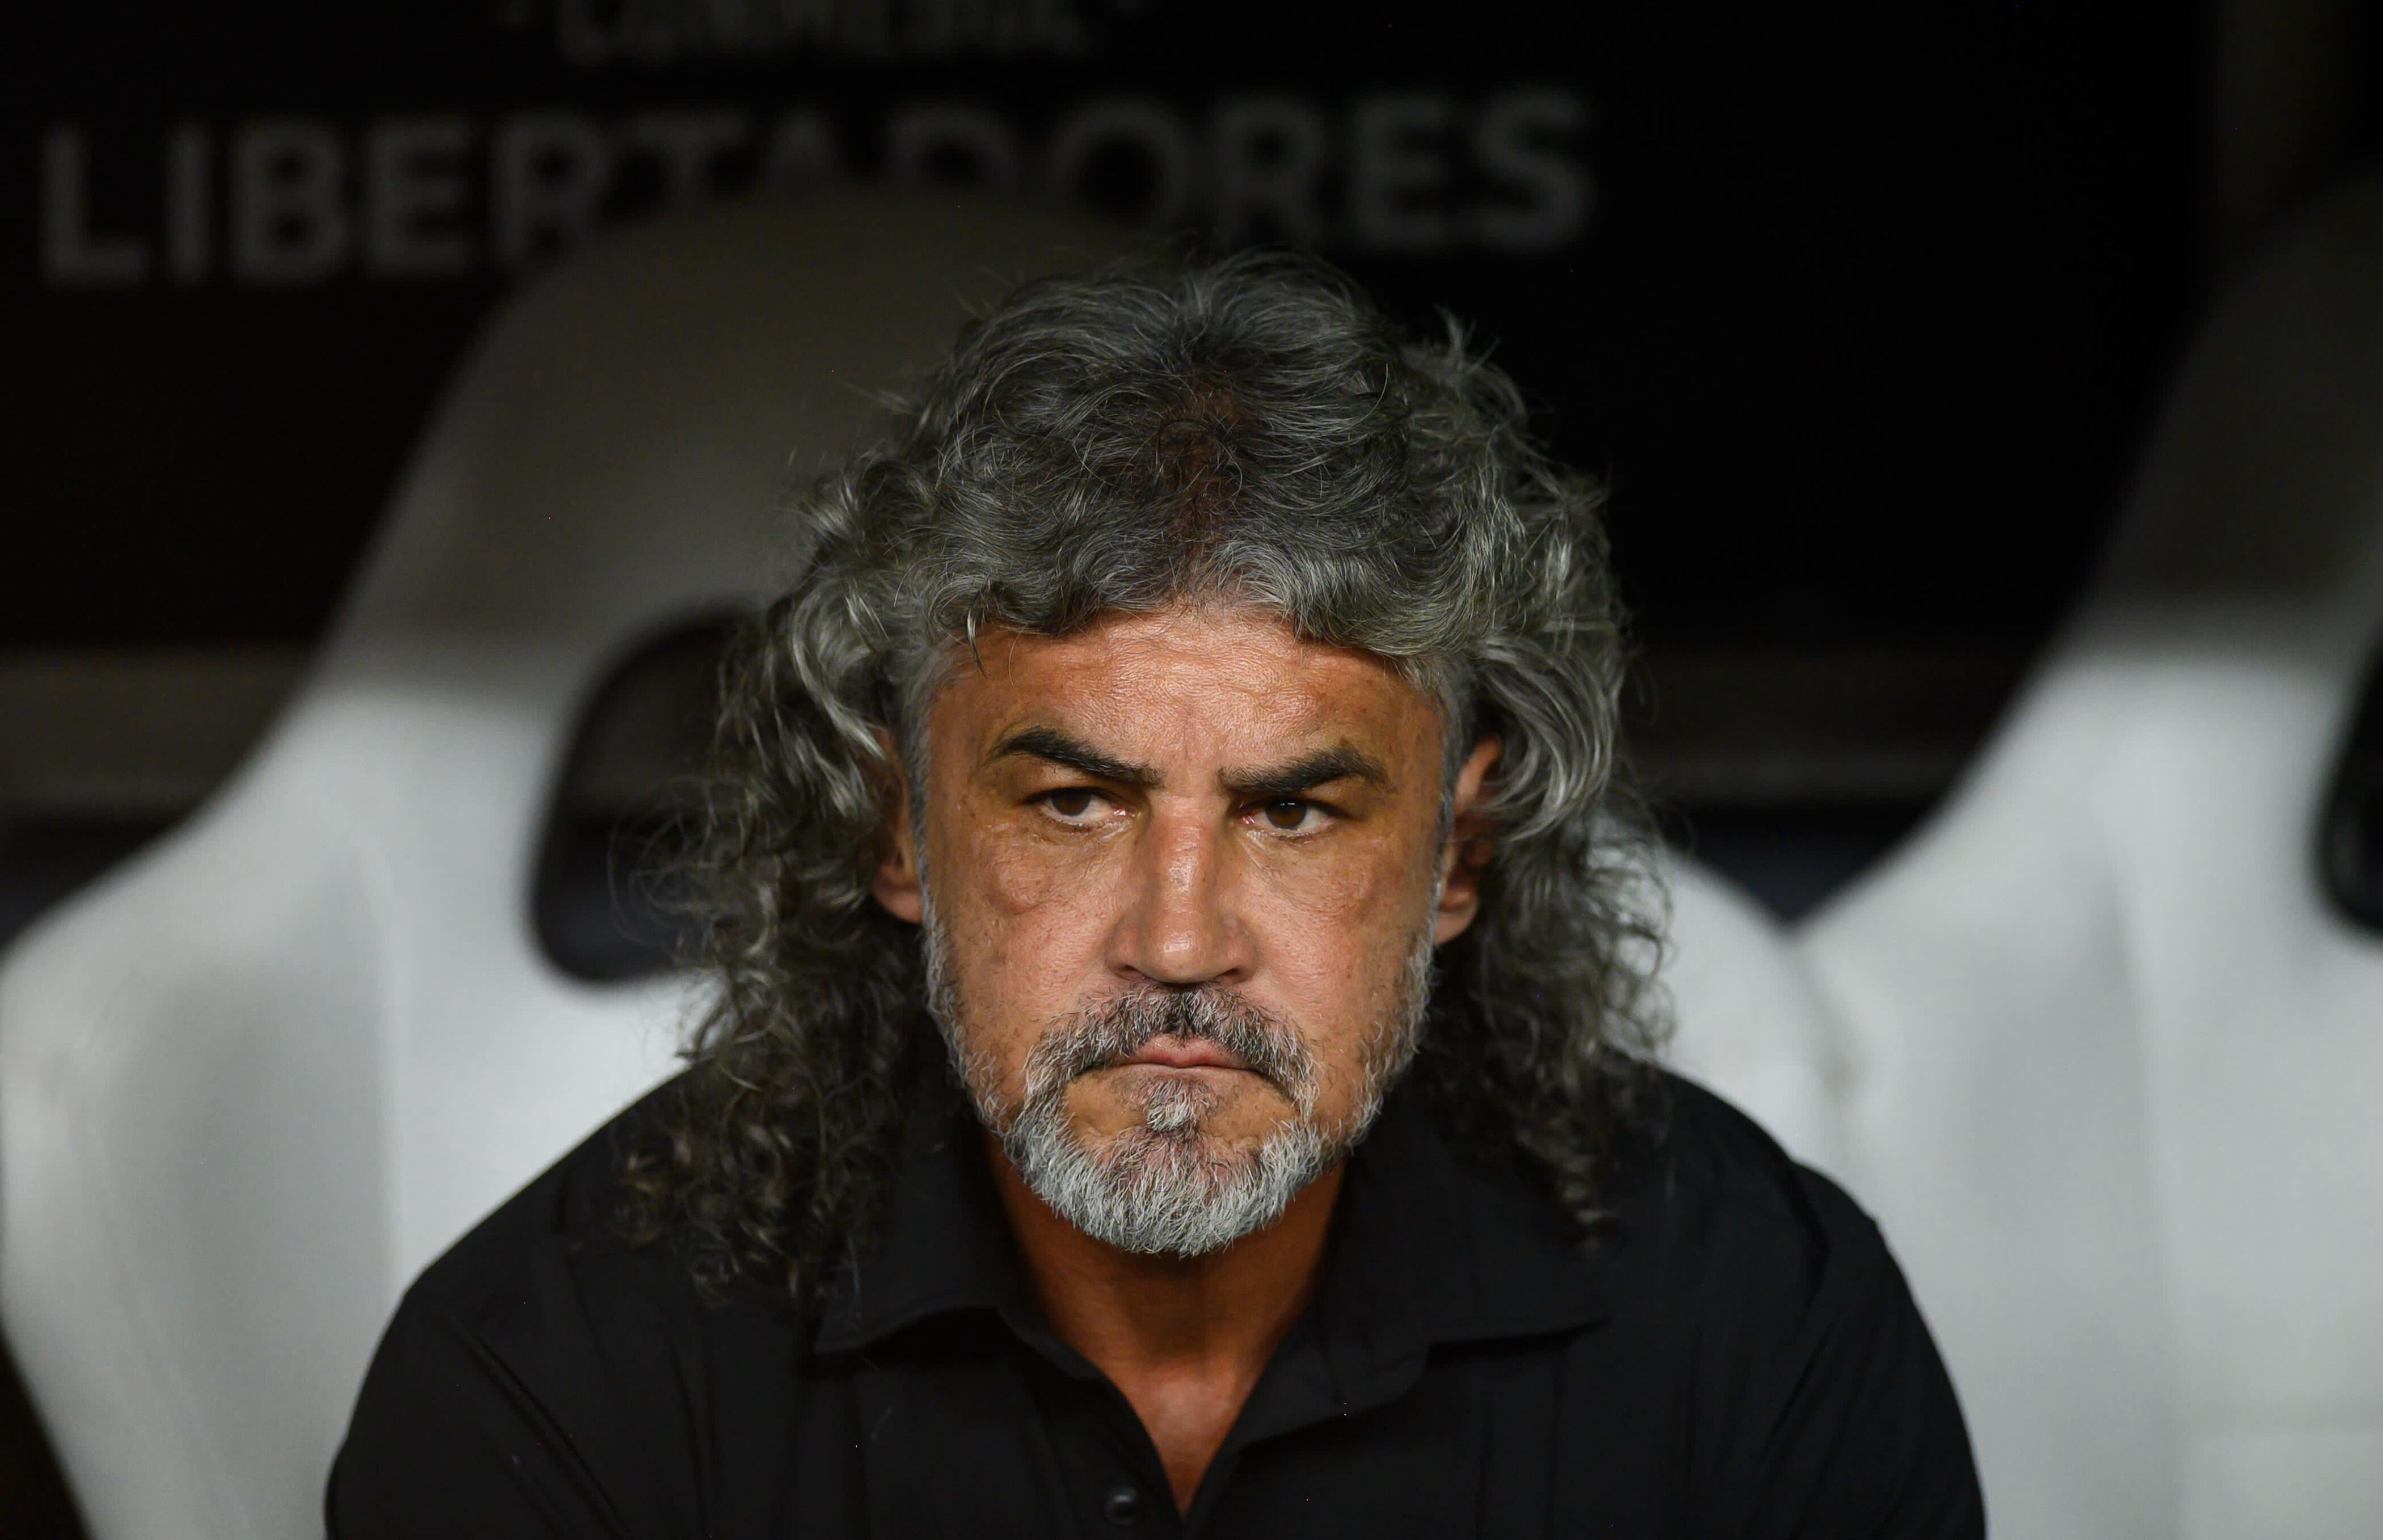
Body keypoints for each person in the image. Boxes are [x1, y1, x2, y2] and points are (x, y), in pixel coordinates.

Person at [327, 252, 1982, 1537]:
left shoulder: (1762, 1328)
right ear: (897, 831)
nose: (1178, 942)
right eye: (1070, 801)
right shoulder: (558, 1382)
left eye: (1297, 813)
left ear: (1460, 860)